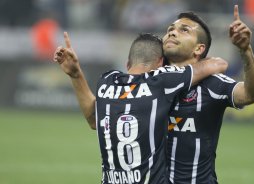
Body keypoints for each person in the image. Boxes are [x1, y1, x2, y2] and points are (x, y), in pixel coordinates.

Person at [53, 32, 227, 183]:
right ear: (160, 63)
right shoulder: (160, 81)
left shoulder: (107, 81)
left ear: (128, 63)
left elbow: (93, 120)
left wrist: (76, 74)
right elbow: (218, 64)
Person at [163, 5, 254, 184]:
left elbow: (252, 94)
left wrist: (245, 50)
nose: (172, 33)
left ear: (199, 49)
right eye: (170, 29)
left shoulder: (212, 85)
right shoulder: (149, 82)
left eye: (183, 30)